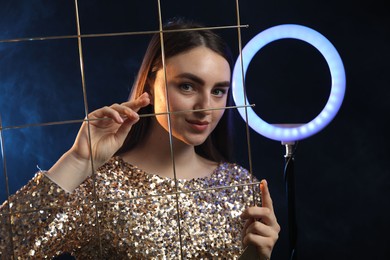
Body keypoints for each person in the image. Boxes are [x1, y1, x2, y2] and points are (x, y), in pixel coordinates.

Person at [0, 18, 280, 259]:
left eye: (218, 91)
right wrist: (77, 160)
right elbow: (6, 248)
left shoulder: (241, 186)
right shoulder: (98, 188)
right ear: (149, 84)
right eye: (187, 86)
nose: (205, 106)